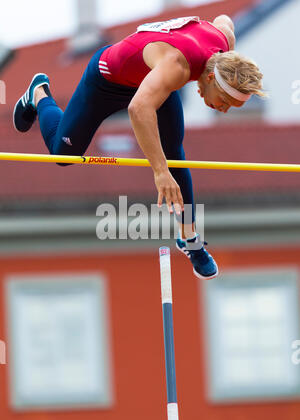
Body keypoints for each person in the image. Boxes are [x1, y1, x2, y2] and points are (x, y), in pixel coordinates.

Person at [13, 15, 265, 279]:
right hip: (107, 82)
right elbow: (138, 108)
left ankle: (190, 239)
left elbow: (225, 19)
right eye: (224, 101)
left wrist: (167, 166)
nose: (223, 110)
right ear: (212, 77)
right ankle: (39, 93)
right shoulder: (176, 67)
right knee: (63, 155)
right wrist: (159, 172)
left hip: (152, 83)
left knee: (175, 156)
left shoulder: (222, 43)